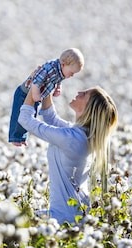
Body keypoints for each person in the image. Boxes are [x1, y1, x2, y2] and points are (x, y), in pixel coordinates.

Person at [18, 86, 118, 224]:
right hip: (77, 215)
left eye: (84, 94)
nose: (79, 92)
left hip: (62, 219)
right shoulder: (83, 135)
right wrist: (48, 85)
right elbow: (51, 118)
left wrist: (35, 86)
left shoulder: (73, 138)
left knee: (13, 223)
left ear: (88, 108)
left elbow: (25, 119)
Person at [8, 48, 85, 147]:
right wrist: (35, 94)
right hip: (24, 93)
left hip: (37, 96)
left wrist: (57, 88)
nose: (72, 75)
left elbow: (58, 80)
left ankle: (22, 138)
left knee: (32, 116)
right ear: (63, 64)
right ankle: (15, 138)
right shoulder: (50, 68)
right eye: (72, 72)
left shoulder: (61, 71)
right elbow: (37, 80)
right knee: (18, 116)